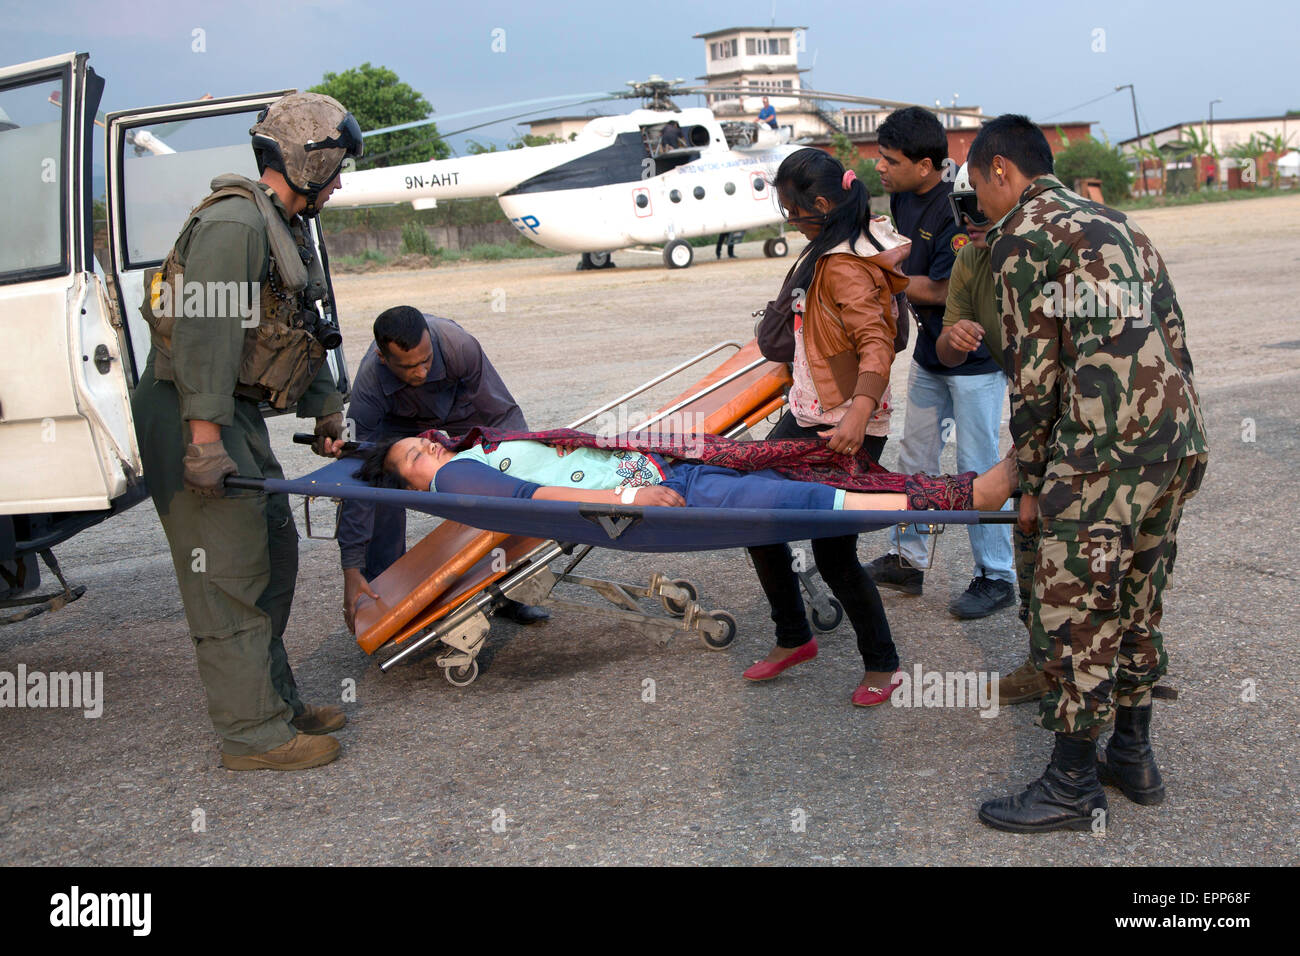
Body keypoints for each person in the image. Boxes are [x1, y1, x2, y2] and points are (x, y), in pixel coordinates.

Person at [966, 115, 1208, 832]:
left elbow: (1033, 380)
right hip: (1174, 443)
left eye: (978, 184)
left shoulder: (1020, 239)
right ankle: (1131, 754)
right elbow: (1175, 336)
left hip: (1097, 459)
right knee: (1136, 600)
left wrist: (1030, 483)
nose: (978, 200)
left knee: (1076, 614)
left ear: (1003, 171)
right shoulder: (1120, 224)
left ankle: (1072, 783)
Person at [131, 92, 362, 771]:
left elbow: (300, 326)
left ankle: (274, 700)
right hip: (191, 410)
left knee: (271, 556)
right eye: (337, 165)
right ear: (307, 161)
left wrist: (325, 409)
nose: (340, 180)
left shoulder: (286, 225)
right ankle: (251, 734)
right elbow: (202, 335)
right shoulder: (235, 224)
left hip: (230, 411)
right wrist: (203, 440)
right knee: (228, 571)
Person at [743, 148, 913, 707]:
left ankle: (882, 664)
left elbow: (876, 341)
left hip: (846, 422)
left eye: (792, 209)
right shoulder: (837, 241)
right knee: (756, 518)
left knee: (833, 553)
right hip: (808, 411)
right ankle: (794, 635)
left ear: (820, 204)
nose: (788, 219)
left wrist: (861, 415)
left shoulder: (844, 262)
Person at [868, 107, 1016, 620]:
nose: (880, 168)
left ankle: (996, 576)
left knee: (976, 469)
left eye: (890, 160)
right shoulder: (902, 196)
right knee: (915, 457)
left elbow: (941, 287)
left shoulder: (957, 209)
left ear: (926, 165)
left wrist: (879, 277)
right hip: (932, 356)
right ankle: (908, 559)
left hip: (974, 363)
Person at [323, 305, 548, 633]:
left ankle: (511, 590)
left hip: (462, 416)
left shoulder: (458, 345)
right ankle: (387, 600)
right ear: (383, 359)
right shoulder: (370, 382)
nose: (421, 372)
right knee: (381, 488)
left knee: (496, 487)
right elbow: (359, 473)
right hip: (399, 428)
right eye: (409, 366)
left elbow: (502, 417)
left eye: (427, 360)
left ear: (431, 342)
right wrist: (351, 566)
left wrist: (522, 473)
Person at [934, 164, 1046, 707]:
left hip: (1085, 428)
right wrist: (953, 340)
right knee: (1033, 543)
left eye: (979, 201)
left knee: (1082, 560)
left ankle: (1096, 699)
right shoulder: (973, 261)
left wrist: (1022, 471)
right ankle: (1046, 663)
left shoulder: (1043, 254)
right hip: (1040, 418)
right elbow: (944, 354)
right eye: (964, 207)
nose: (973, 218)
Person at [361, 430, 1016, 516]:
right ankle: (968, 497)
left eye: (417, 442)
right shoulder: (455, 482)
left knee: (807, 463)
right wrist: (630, 494)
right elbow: (536, 496)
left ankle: (966, 491)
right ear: (416, 486)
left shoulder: (466, 454)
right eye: (412, 459)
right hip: (664, 484)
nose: (424, 447)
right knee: (802, 497)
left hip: (664, 460)